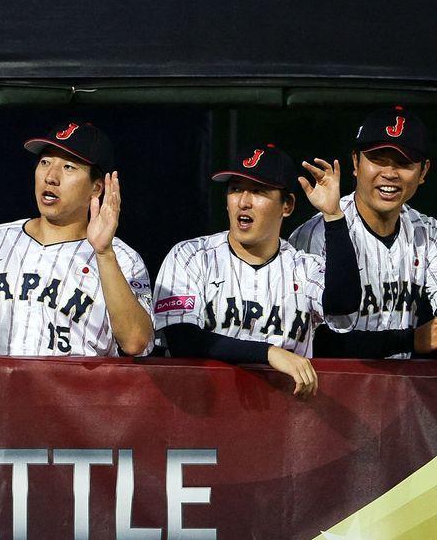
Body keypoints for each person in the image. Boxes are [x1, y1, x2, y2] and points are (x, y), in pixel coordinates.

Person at [153, 144, 361, 399]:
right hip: (201, 411)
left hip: (282, 414)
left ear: (287, 205)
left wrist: (333, 216)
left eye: (258, 191)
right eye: (235, 189)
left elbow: (343, 306)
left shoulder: (303, 268)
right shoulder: (192, 256)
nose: (243, 201)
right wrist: (268, 353)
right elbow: (181, 340)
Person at [0, 121, 153, 356]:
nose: (51, 177)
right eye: (45, 162)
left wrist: (104, 254)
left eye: (68, 167)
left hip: (74, 382)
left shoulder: (122, 258)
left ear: (96, 188)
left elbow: (136, 342)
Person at [289, 107, 437, 358]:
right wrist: (410, 340)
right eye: (378, 159)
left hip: (404, 382)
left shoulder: (428, 234)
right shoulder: (316, 235)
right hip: (328, 381)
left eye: (403, 163)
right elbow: (310, 340)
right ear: (356, 163)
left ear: (423, 172)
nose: (389, 173)